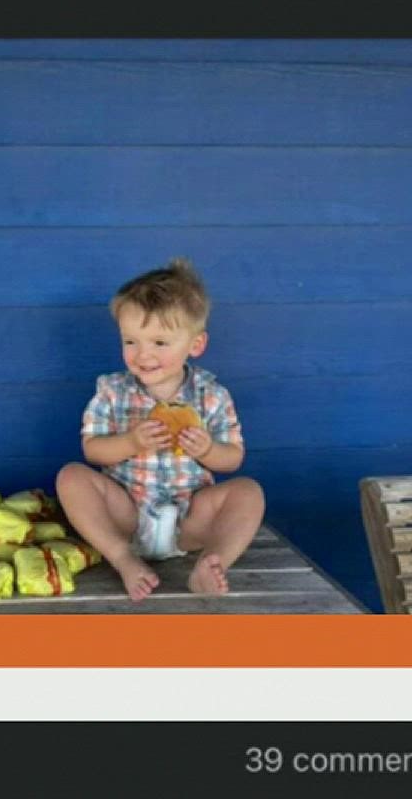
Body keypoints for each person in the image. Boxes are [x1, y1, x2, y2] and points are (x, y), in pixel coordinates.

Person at [56, 258, 265, 602]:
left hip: (190, 519)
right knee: (71, 477)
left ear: (195, 345)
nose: (142, 355)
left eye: (159, 343)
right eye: (131, 341)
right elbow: (92, 450)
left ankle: (213, 563)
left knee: (248, 493)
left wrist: (208, 450)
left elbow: (232, 460)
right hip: (126, 513)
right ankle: (123, 558)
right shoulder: (112, 391)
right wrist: (130, 441)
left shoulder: (211, 395)